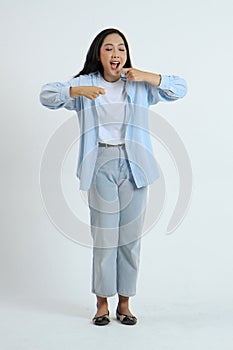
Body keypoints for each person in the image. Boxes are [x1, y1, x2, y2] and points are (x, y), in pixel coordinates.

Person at [40, 27, 188, 326]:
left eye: (121, 48)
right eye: (109, 48)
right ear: (99, 53)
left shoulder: (137, 84)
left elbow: (179, 88)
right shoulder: (85, 84)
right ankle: (101, 304)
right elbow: (45, 95)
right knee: (105, 238)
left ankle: (125, 303)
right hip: (101, 163)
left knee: (130, 239)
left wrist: (145, 75)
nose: (115, 53)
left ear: (126, 54)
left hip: (136, 165)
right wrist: (74, 90)